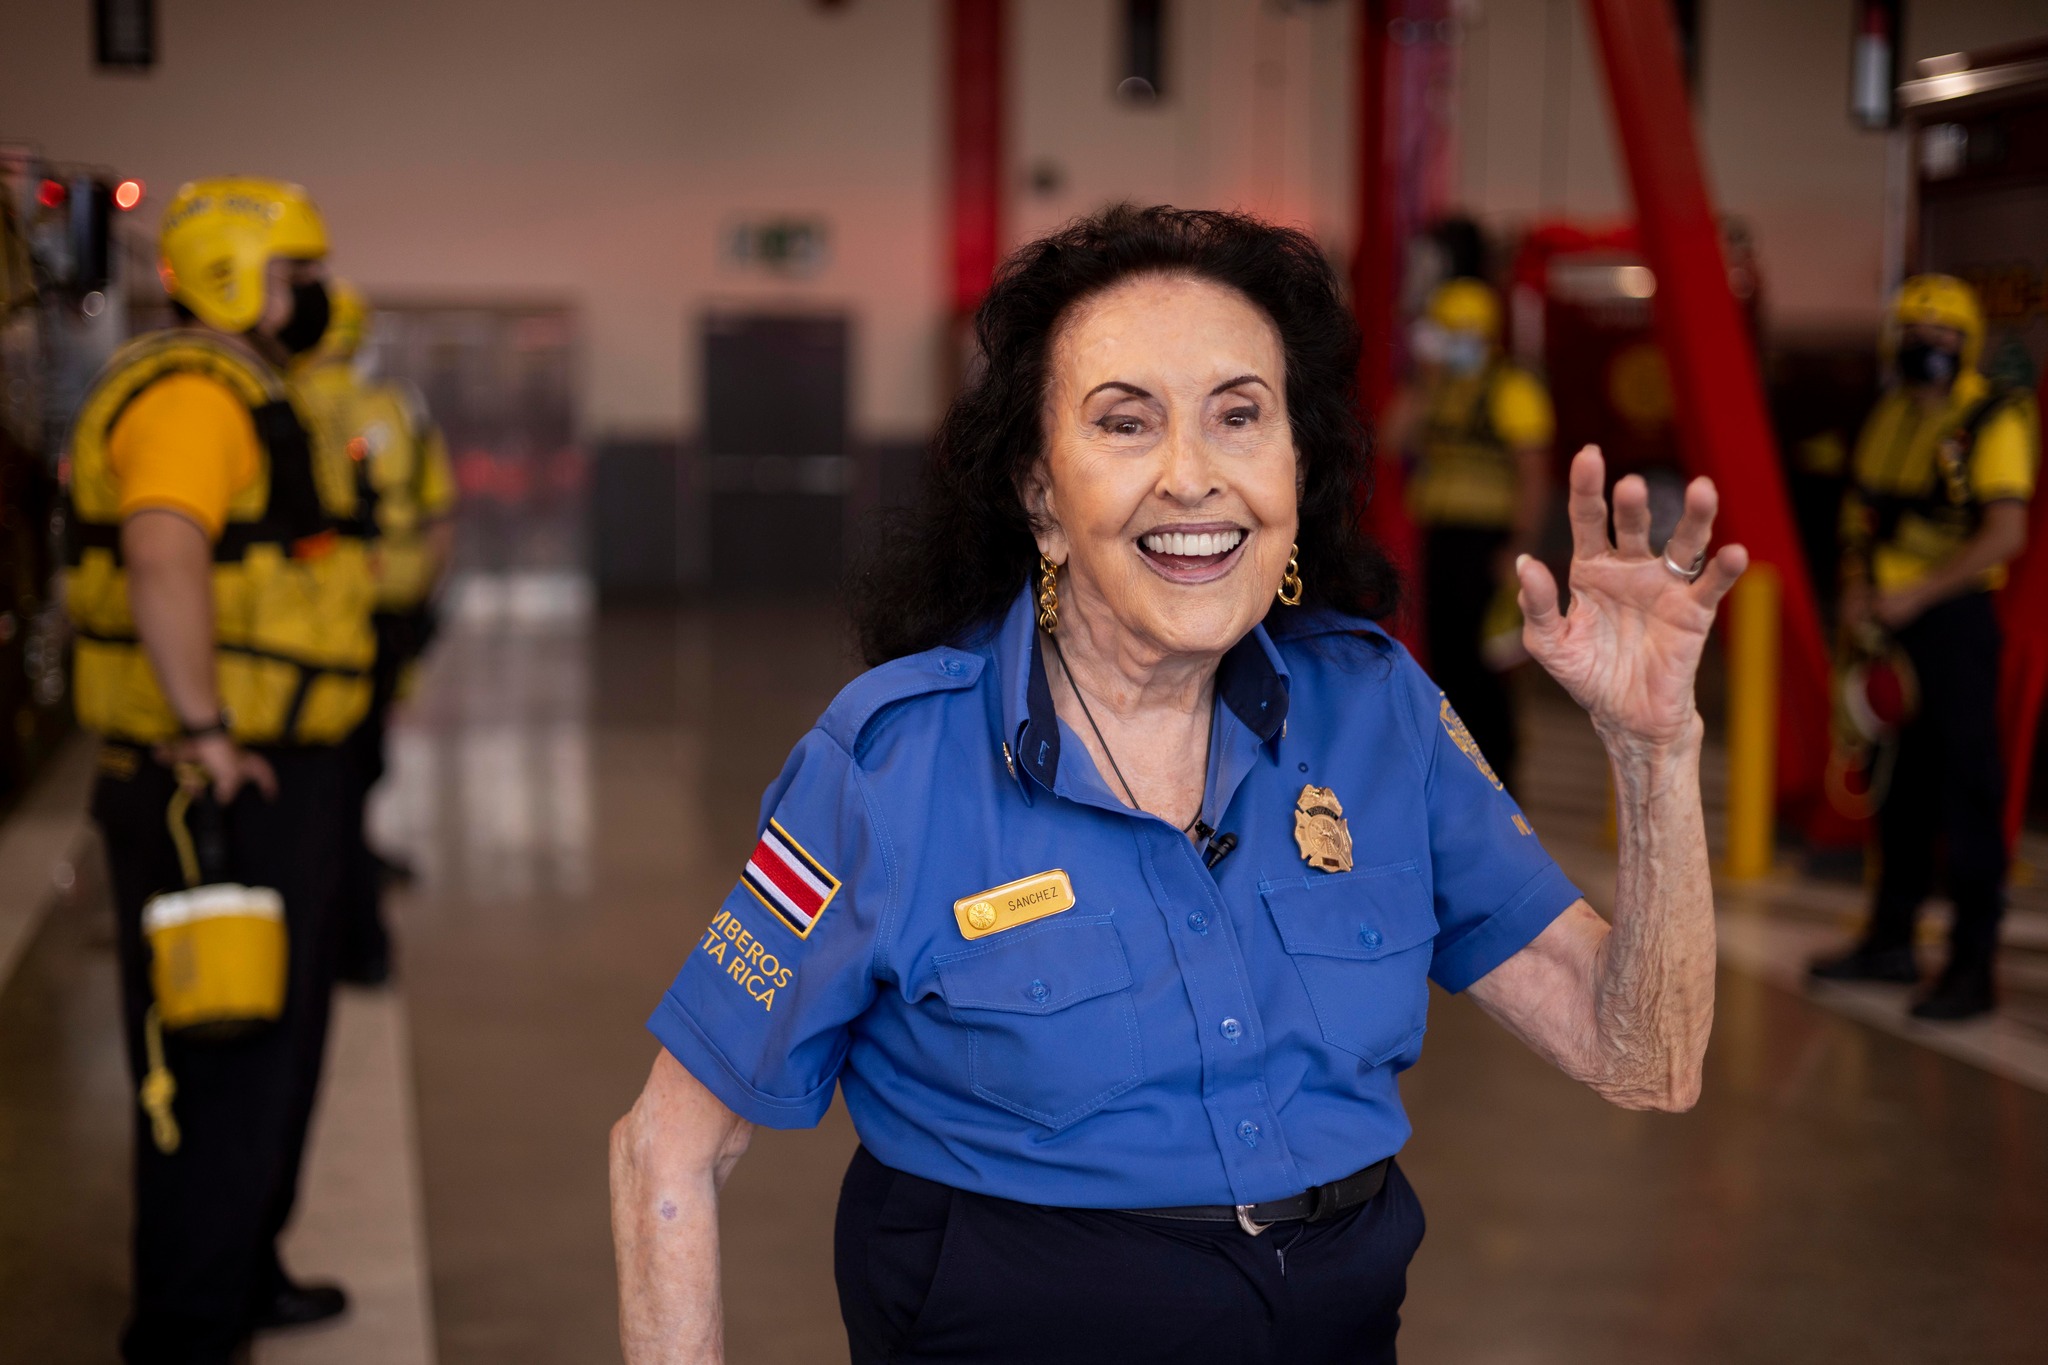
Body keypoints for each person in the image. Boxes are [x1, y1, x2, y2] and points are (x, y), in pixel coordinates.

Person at [611, 206, 1741, 1364]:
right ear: (1039, 496)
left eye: (1238, 417)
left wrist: (1653, 751)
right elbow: (666, 1153)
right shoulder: (891, 764)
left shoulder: (1372, 713)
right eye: (1124, 423)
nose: (1191, 478)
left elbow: (1642, 1057)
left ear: (1295, 465)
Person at [63, 178, 375, 1362]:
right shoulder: (194, 394)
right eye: (291, 277)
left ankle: (242, 1273)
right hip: (215, 786)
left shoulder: (244, 387)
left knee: (273, 1043)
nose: (308, 299)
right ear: (238, 273)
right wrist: (203, 730)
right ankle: (187, 1324)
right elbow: (160, 555)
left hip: (277, 774)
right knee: (217, 1050)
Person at [1809, 274, 2036, 1020]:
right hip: (1887, 625)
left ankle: (1973, 965)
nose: (1927, 348)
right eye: (1915, 333)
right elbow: (1860, 515)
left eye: (1943, 337)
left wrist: (1920, 591)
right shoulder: (1890, 416)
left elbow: (2005, 532)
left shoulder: (1994, 419)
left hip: (1955, 622)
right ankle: (1891, 938)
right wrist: (1855, 588)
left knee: (1969, 792)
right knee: (1899, 789)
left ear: (1967, 346)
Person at [292, 281, 457, 984]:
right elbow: (438, 516)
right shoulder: (397, 406)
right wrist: (420, 602)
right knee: (360, 762)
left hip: (301, 628)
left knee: (323, 776)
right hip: (390, 613)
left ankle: (345, 929)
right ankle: (359, 922)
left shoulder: (281, 403)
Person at [1397, 277, 1555, 787]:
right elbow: (1389, 436)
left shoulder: (1512, 392)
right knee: (1445, 660)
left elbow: (1534, 472)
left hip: (1488, 544)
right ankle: (1456, 773)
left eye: (1456, 335)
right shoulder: (1436, 389)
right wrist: (1424, 384)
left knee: (1487, 668)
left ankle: (1501, 775)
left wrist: (1520, 547)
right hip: (1440, 537)